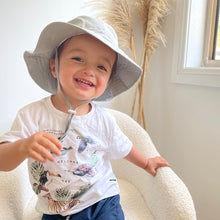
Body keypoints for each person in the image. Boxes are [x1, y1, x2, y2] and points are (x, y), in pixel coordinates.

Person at [0, 16, 170, 220]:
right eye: (78, 59)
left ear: (107, 82)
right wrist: (22, 146)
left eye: (101, 67)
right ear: (54, 67)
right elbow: (3, 161)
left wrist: (146, 163)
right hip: (54, 207)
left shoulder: (103, 120)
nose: (89, 71)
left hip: (101, 200)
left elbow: (124, 146)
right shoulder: (31, 115)